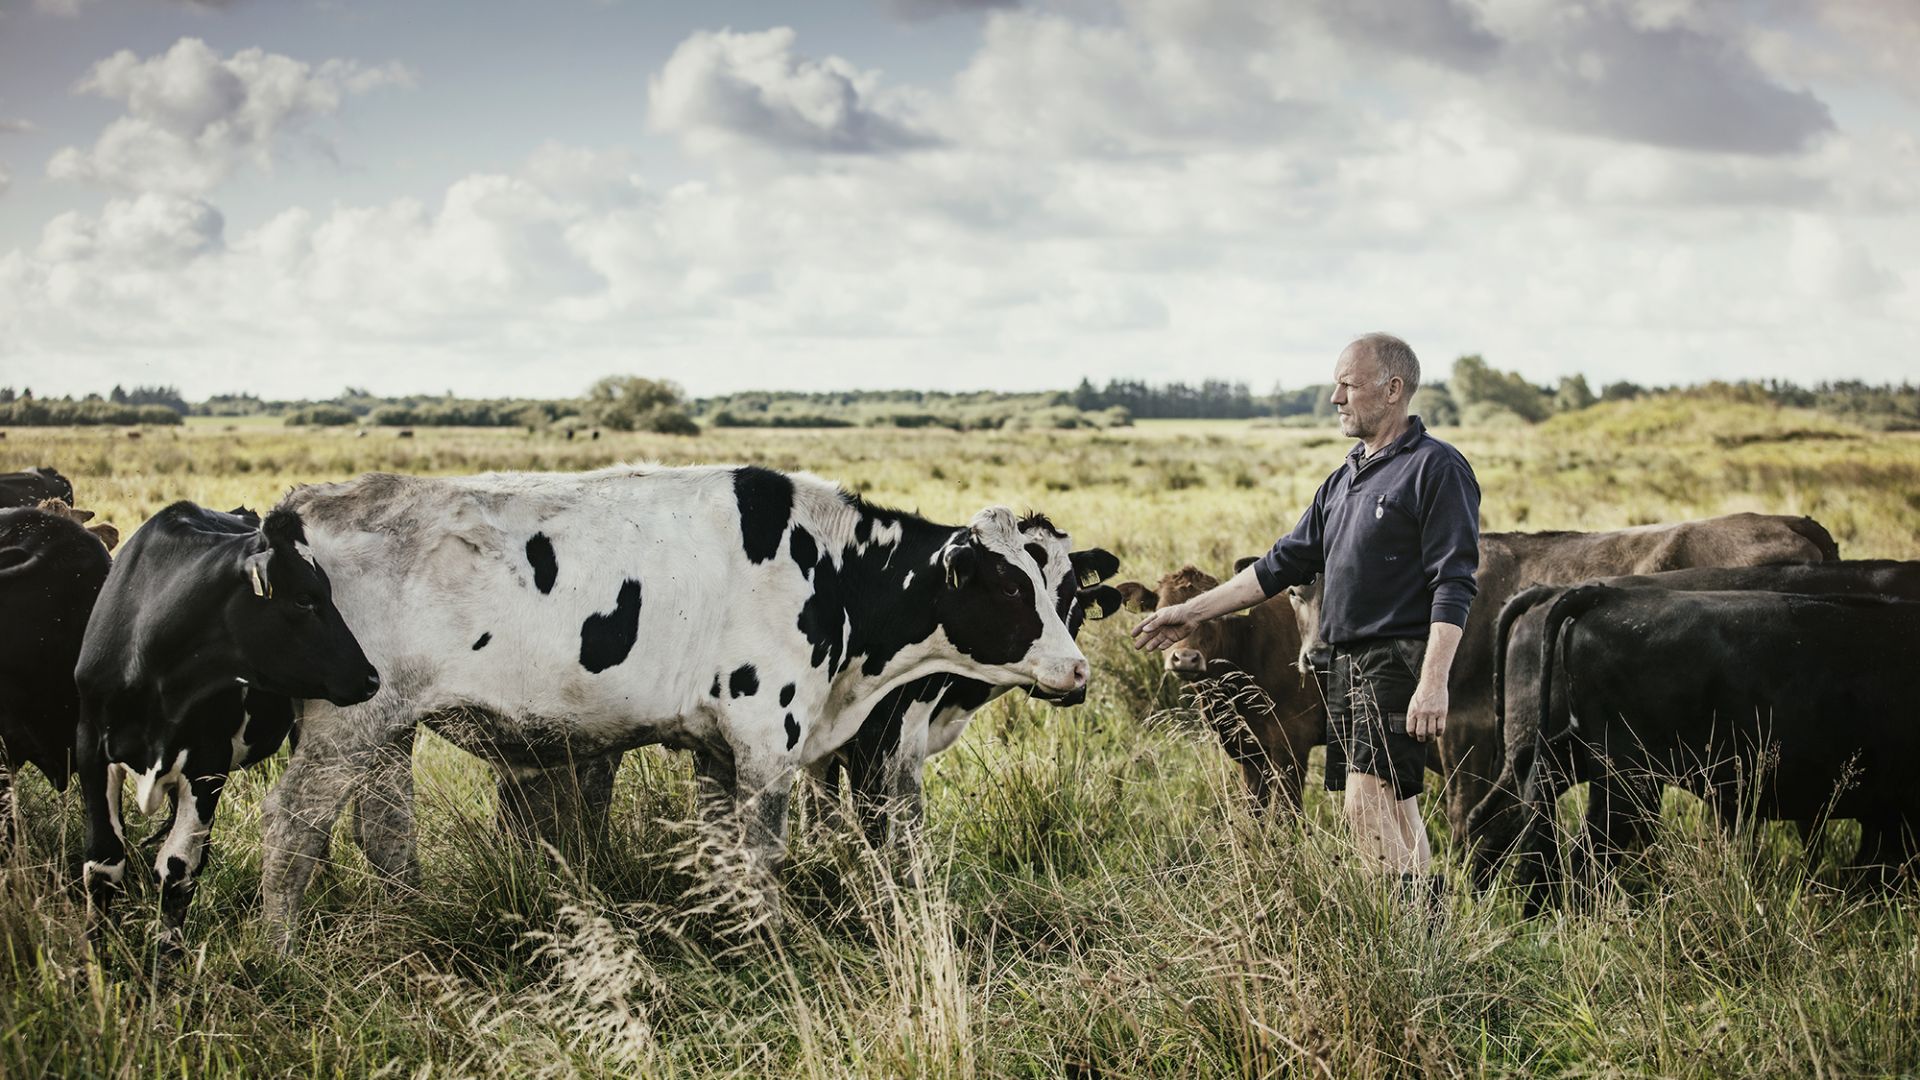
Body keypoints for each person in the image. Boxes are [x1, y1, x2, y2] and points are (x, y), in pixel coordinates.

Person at [1133, 332, 1480, 894]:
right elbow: (1276, 567)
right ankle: (1429, 940)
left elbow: (1454, 580)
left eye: (1348, 384)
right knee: (1396, 805)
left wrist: (1434, 679)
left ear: (1393, 390)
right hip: (1344, 661)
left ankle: (1400, 938)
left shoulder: (1436, 467)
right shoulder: (1344, 479)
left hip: (1395, 657)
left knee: (1365, 807)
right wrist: (1189, 612)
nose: (1335, 398)